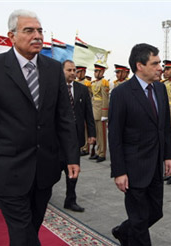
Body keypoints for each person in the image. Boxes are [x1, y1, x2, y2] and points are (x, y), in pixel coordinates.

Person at [0, 10, 79, 246]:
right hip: (8, 170)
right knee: (23, 233)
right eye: (29, 31)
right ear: (11, 36)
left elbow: (64, 117)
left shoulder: (53, 69)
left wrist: (71, 157)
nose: (37, 36)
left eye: (39, 30)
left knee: (29, 230)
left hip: (45, 169)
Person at [109, 43, 171, 246]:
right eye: (155, 64)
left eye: (160, 63)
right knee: (139, 221)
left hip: (155, 164)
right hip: (133, 167)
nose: (160, 68)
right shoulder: (122, 93)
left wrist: (168, 155)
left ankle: (122, 231)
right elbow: (115, 135)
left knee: (155, 212)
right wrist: (119, 171)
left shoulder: (161, 89)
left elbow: (164, 126)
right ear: (140, 65)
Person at [62, 60, 96, 212]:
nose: (73, 73)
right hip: (57, 138)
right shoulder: (55, 88)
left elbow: (89, 113)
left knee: (74, 172)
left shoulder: (82, 89)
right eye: (69, 70)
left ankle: (70, 199)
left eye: (74, 70)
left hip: (76, 137)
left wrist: (92, 134)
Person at [89, 63, 109, 163]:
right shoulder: (94, 83)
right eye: (95, 71)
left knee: (102, 135)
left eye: (97, 71)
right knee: (97, 134)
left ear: (102, 72)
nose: (95, 73)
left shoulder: (104, 83)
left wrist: (105, 114)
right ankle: (97, 151)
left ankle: (102, 153)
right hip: (95, 111)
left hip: (101, 112)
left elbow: (105, 99)